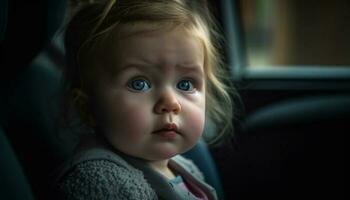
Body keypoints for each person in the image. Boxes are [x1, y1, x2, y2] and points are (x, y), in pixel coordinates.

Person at [53, 0, 234, 199]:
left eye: (185, 84)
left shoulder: (184, 167)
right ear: (87, 108)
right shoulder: (101, 184)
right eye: (139, 84)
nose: (171, 103)